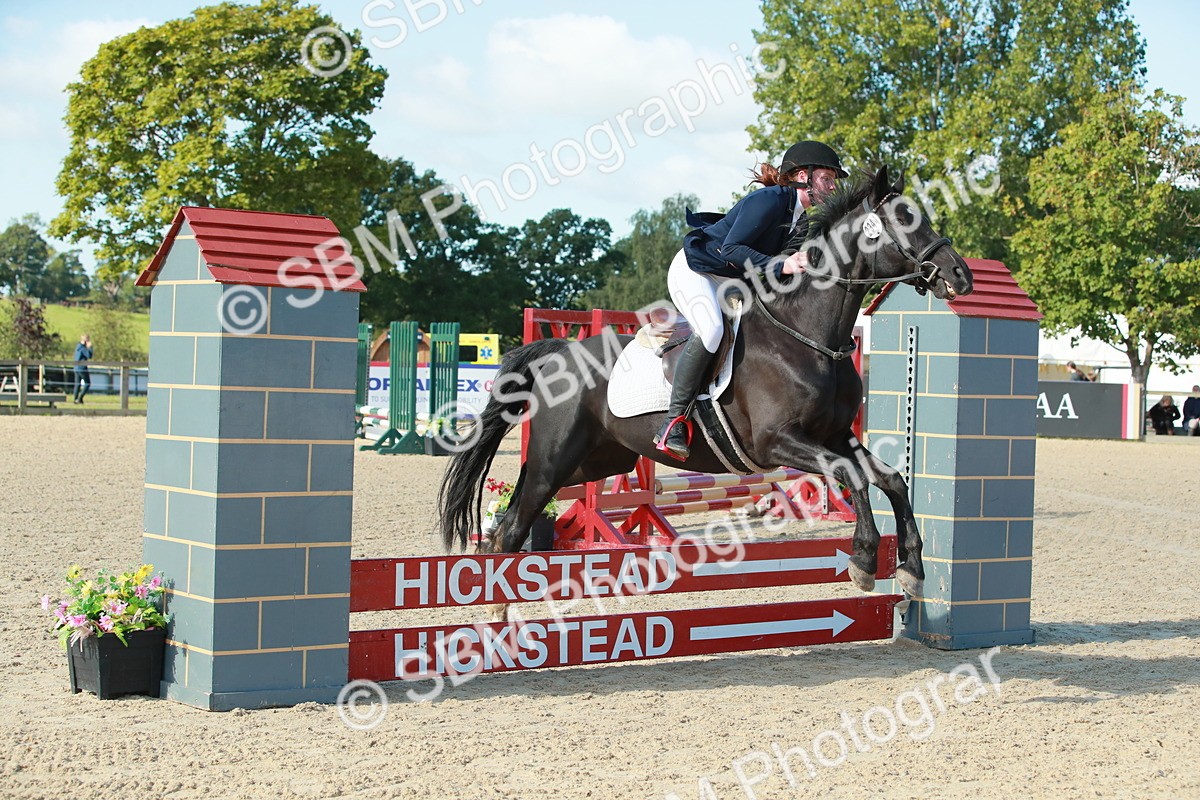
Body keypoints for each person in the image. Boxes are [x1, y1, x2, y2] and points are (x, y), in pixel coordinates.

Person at [654, 140, 847, 460]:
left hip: (733, 281)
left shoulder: (802, 221)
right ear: (803, 176)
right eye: (827, 179)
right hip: (698, 270)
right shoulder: (769, 200)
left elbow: (783, 277)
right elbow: (731, 249)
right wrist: (783, 264)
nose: (831, 188)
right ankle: (674, 421)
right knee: (713, 330)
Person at [73, 334, 92, 404]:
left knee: (77, 384)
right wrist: (90, 348)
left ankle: (75, 399)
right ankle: (80, 398)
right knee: (87, 383)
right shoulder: (83, 348)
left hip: (76, 368)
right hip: (82, 368)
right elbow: (89, 355)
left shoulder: (77, 347)